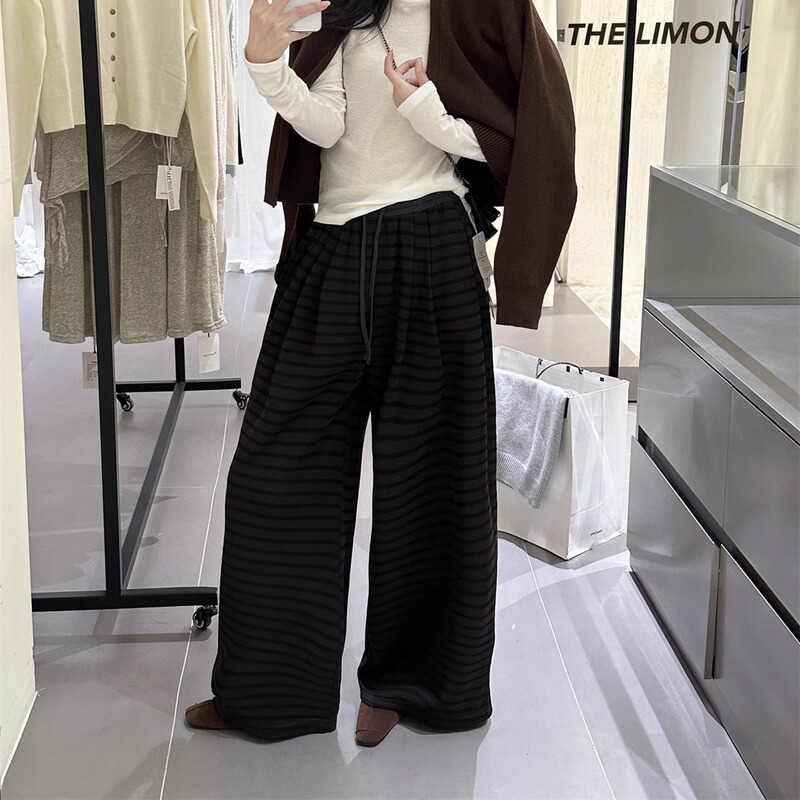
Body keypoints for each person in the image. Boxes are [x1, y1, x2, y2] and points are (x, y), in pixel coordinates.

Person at [185, 0, 576, 747]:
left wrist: (425, 109)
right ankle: (268, 692)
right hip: (332, 248)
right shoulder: (351, 10)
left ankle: (415, 686)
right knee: (274, 471)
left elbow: (527, 139)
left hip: (434, 246)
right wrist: (265, 66)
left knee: (434, 482)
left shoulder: (483, 12)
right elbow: (329, 127)